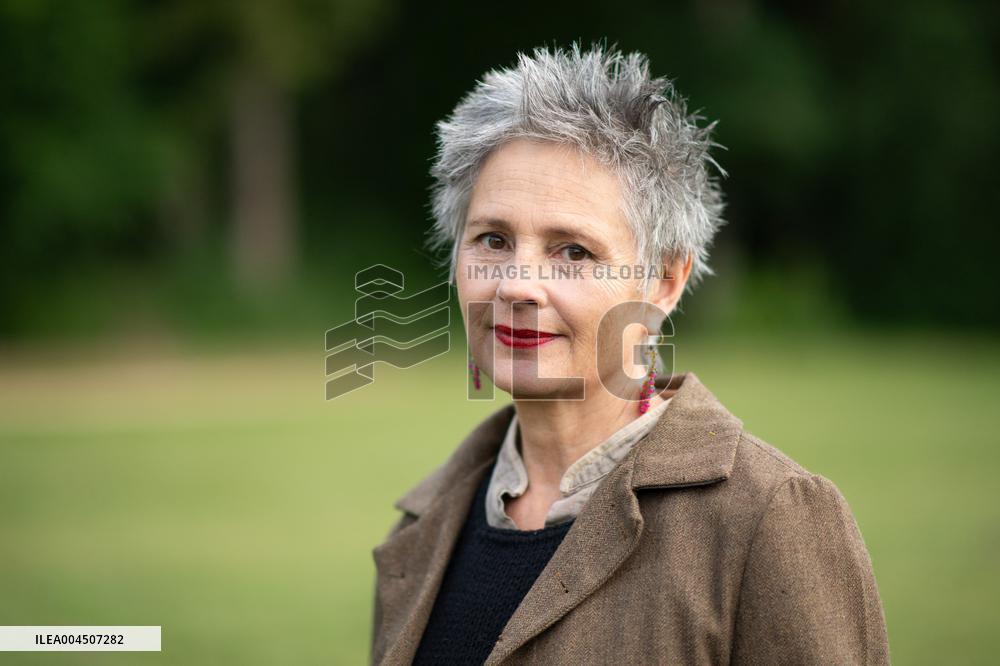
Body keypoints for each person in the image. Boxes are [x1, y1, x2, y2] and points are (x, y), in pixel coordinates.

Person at [370, 43, 890, 665]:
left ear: (665, 282)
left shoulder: (768, 523)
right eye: (493, 239)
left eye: (573, 252)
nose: (514, 284)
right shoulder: (421, 531)